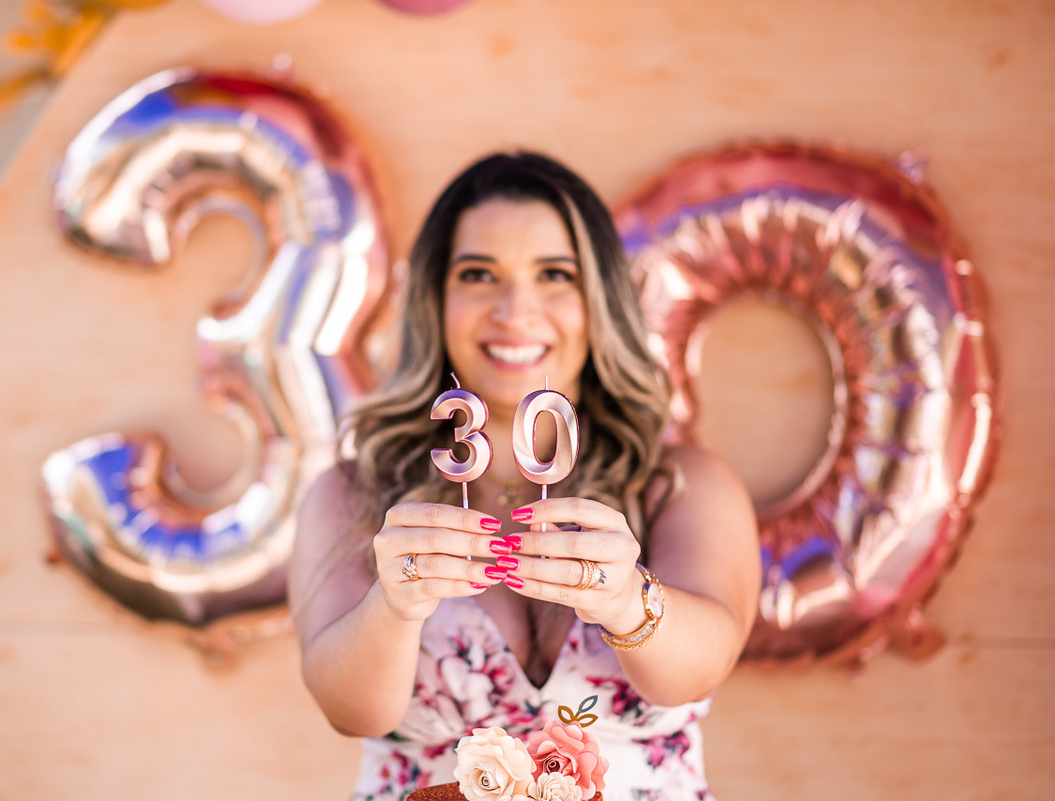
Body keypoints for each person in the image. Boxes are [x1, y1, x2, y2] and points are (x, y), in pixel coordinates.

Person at [289, 151, 760, 801]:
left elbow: (698, 668)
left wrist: (625, 600)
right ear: (437, 296)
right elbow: (349, 710)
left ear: (599, 299)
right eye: (479, 273)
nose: (515, 309)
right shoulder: (355, 495)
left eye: (555, 274)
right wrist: (393, 605)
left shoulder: (680, 484)